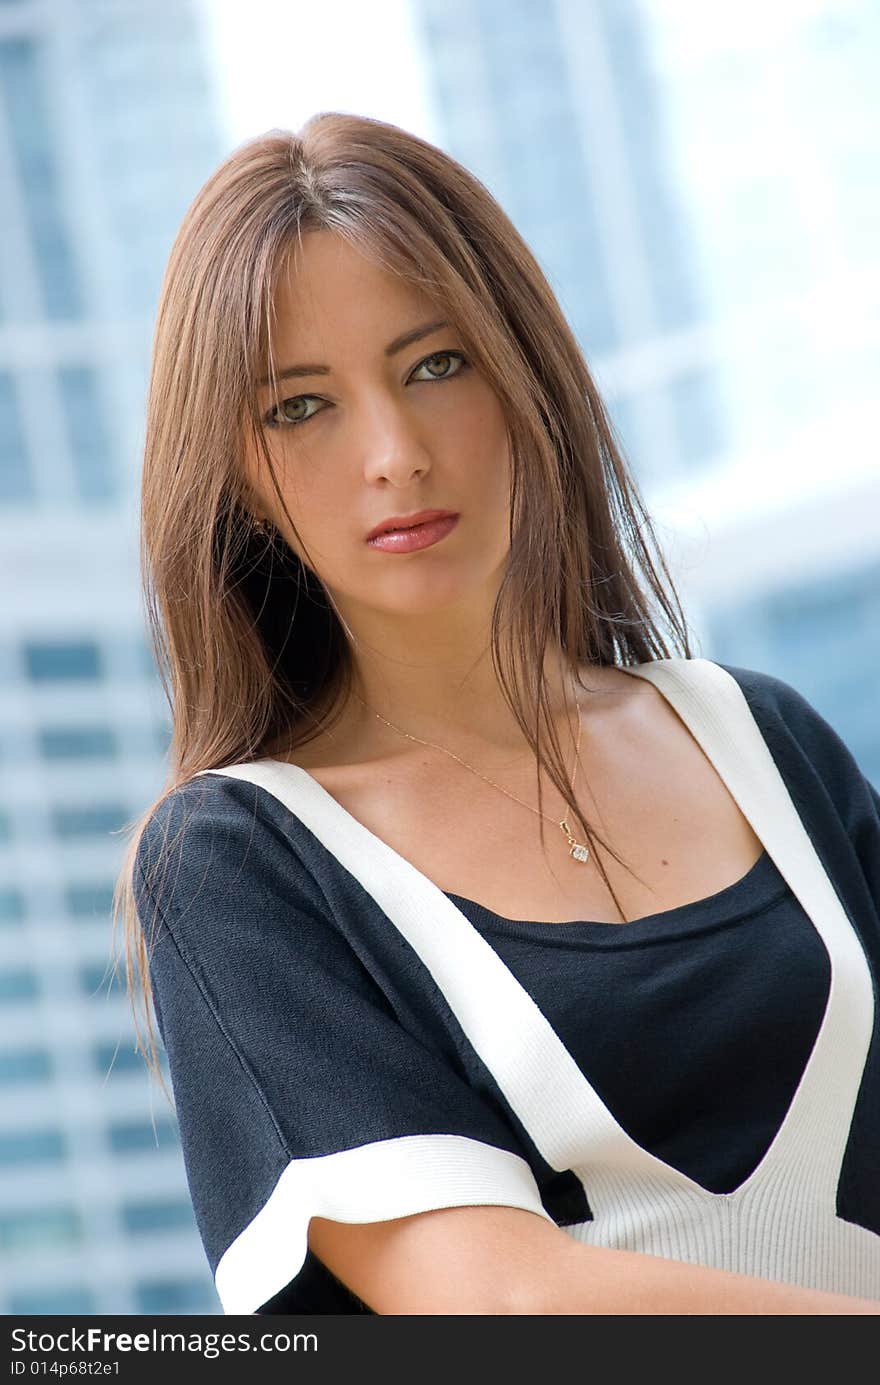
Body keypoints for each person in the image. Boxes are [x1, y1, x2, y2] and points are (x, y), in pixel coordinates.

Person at [119, 113, 880, 1315]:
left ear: (525, 374)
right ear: (238, 482)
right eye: (298, 407)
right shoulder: (242, 864)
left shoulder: (763, 741)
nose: (395, 453)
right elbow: (495, 1304)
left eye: (436, 365)